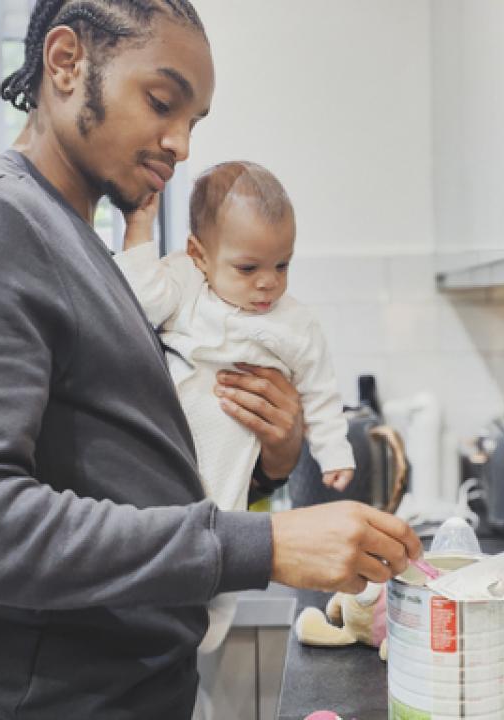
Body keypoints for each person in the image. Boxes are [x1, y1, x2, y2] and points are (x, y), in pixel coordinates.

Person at [0, 1, 422, 718]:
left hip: (142, 689)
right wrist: (257, 545)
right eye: (162, 102)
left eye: (194, 122)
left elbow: (117, 470)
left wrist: (269, 459)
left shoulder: (79, 246)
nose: (180, 143)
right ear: (66, 62)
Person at [118, 160, 356, 656]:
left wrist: (334, 451)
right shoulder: (183, 281)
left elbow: (320, 389)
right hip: (174, 426)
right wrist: (138, 228)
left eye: (283, 265)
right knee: (170, 518)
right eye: (248, 268)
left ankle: (210, 615)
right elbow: (140, 300)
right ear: (198, 255)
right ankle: (178, 606)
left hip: (233, 440)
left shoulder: (295, 323)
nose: (268, 284)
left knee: (223, 516)